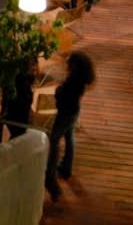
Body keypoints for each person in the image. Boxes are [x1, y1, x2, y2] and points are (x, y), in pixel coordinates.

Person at [45, 50, 96, 202]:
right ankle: (66, 167)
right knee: (69, 136)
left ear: (74, 66)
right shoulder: (80, 80)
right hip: (74, 112)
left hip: (65, 114)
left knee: (54, 140)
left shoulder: (71, 82)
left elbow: (61, 95)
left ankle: (51, 173)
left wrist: (58, 90)